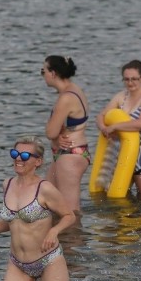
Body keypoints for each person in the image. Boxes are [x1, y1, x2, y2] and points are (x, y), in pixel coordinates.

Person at [0, 136, 76, 281]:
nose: (17, 158)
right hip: (18, 263)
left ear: (38, 161)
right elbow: (13, 221)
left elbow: (69, 215)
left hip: (48, 260)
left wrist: (54, 231)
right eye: (15, 153)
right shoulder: (7, 184)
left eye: (24, 155)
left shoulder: (44, 189)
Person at [96, 60, 141, 200]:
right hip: (123, 151)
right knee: (119, 193)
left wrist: (115, 127)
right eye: (126, 79)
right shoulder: (121, 97)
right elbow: (101, 115)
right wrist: (104, 128)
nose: (130, 83)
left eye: (134, 79)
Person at [41, 56, 91, 213]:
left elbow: (51, 131)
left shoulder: (66, 98)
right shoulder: (74, 89)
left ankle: (75, 238)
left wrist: (54, 135)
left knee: (70, 211)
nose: (42, 75)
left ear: (53, 73)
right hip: (67, 153)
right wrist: (56, 136)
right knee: (46, 202)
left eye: (43, 71)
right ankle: (57, 236)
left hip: (70, 155)